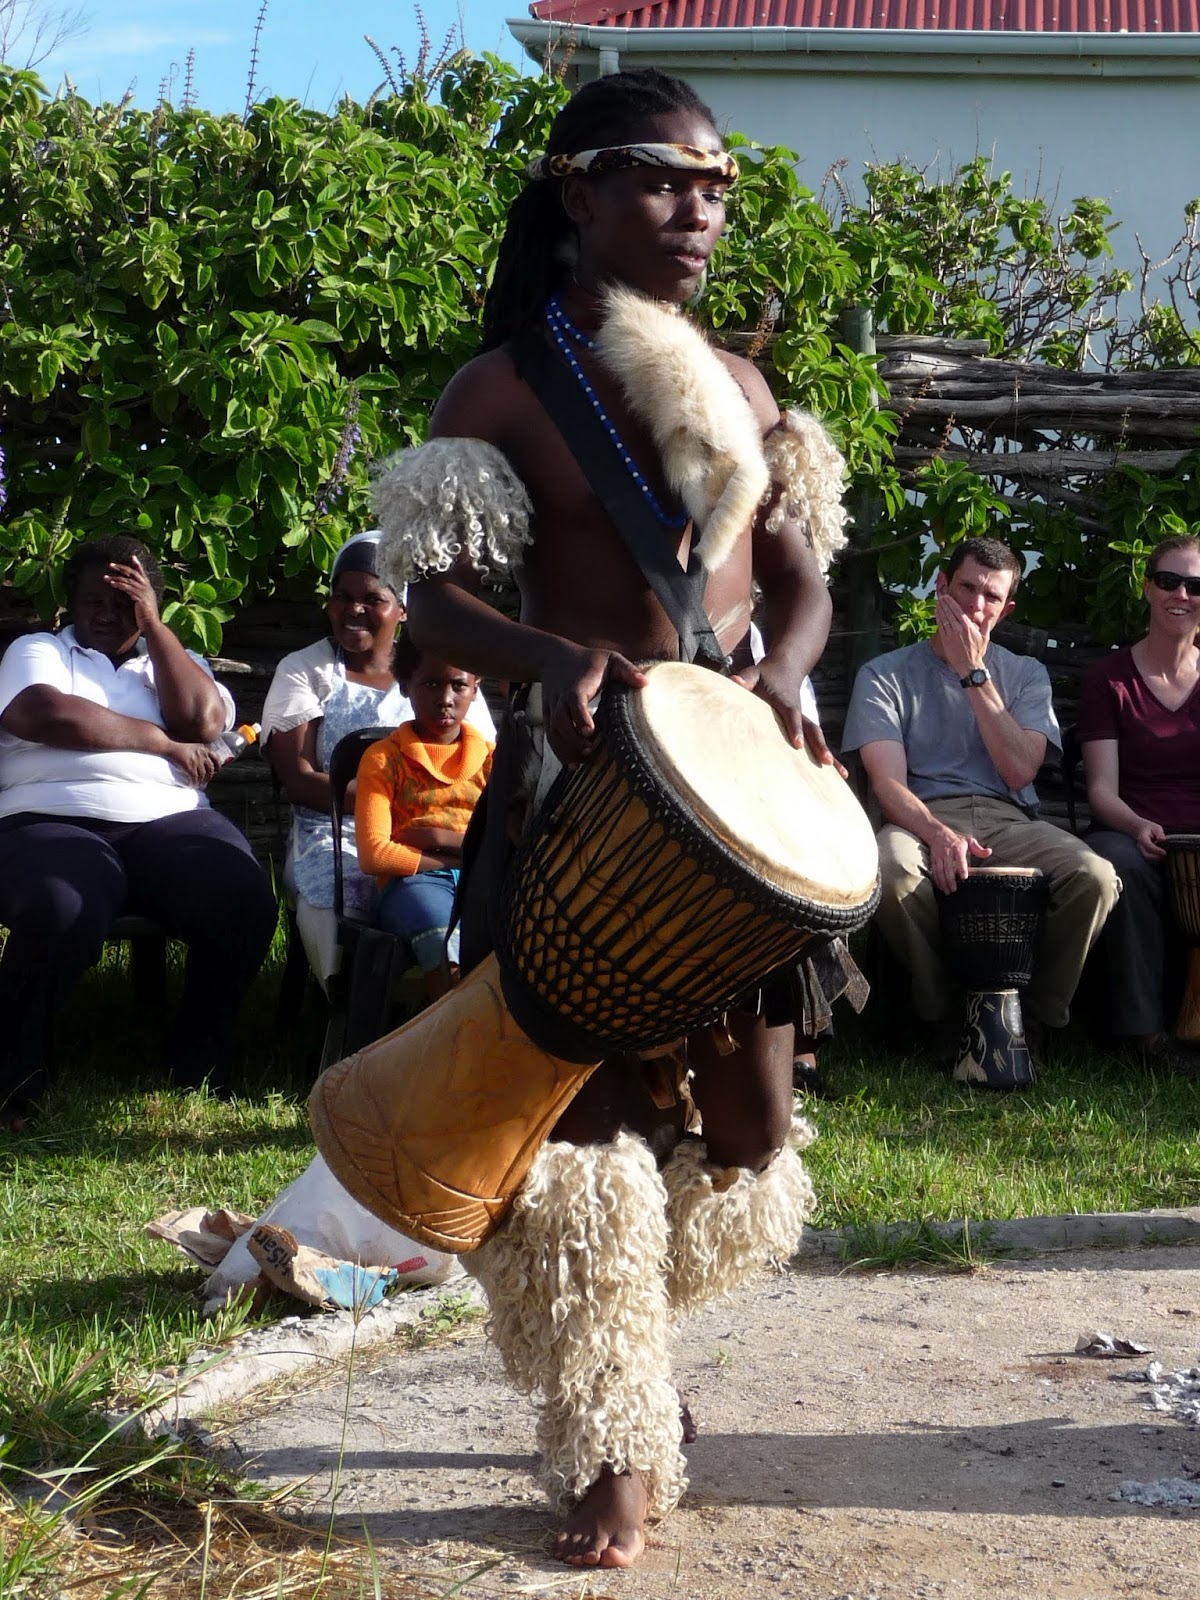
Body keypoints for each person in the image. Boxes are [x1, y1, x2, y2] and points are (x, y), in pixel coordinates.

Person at [374, 69, 852, 1568]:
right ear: (575, 192)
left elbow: (799, 581)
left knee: (756, 1140)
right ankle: (613, 1446)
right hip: (576, 791)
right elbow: (432, 599)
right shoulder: (505, 388)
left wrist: (779, 672)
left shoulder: (749, 389)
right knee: (585, 1138)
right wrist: (547, 658)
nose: (696, 209)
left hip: (732, 802)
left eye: (714, 185)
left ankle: (619, 1345)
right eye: (659, 179)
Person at [0, 535, 278, 1124]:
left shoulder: (174, 662)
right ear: (69, 604)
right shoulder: (41, 650)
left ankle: (198, 1063)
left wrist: (156, 628)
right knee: (62, 903)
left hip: (168, 819)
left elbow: (203, 722)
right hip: (48, 816)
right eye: (92, 600)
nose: (106, 612)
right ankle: (16, 1073)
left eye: (124, 601)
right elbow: (42, 713)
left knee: (241, 896)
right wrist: (160, 742)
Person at [842, 535, 1120, 1053]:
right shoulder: (884, 675)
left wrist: (975, 674)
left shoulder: (1026, 675)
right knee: (892, 865)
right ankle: (944, 1011)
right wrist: (938, 833)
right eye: (966, 588)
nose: (976, 605)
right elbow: (887, 785)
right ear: (940, 587)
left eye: (991, 597)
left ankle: (1034, 1016)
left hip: (1008, 817)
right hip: (921, 816)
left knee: (1095, 877)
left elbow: (1019, 772)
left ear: (1007, 608)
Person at [261, 531, 494, 991]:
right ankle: (349, 994)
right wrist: (385, 813)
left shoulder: (439, 673)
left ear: (403, 609)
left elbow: (483, 762)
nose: (354, 610)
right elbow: (300, 778)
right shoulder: (305, 669)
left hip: (443, 830)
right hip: (330, 830)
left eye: (373, 598)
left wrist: (442, 834)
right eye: (342, 597)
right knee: (338, 885)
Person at [1078, 534, 1200, 1072]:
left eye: (1196, 585)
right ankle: (1145, 1037)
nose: (1183, 594)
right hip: (1129, 828)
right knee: (1122, 866)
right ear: (1148, 587)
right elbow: (1101, 791)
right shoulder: (1109, 679)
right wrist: (1138, 824)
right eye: (1170, 580)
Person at [355, 636, 493, 983]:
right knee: (447, 951)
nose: (445, 699)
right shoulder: (385, 759)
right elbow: (375, 856)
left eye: (458, 685)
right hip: (413, 885)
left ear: (475, 688)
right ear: (405, 686)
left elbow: (506, 836)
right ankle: (452, 1035)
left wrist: (435, 836)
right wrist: (462, 856)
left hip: (484, 881)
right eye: (431, 684)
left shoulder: (493, 760)